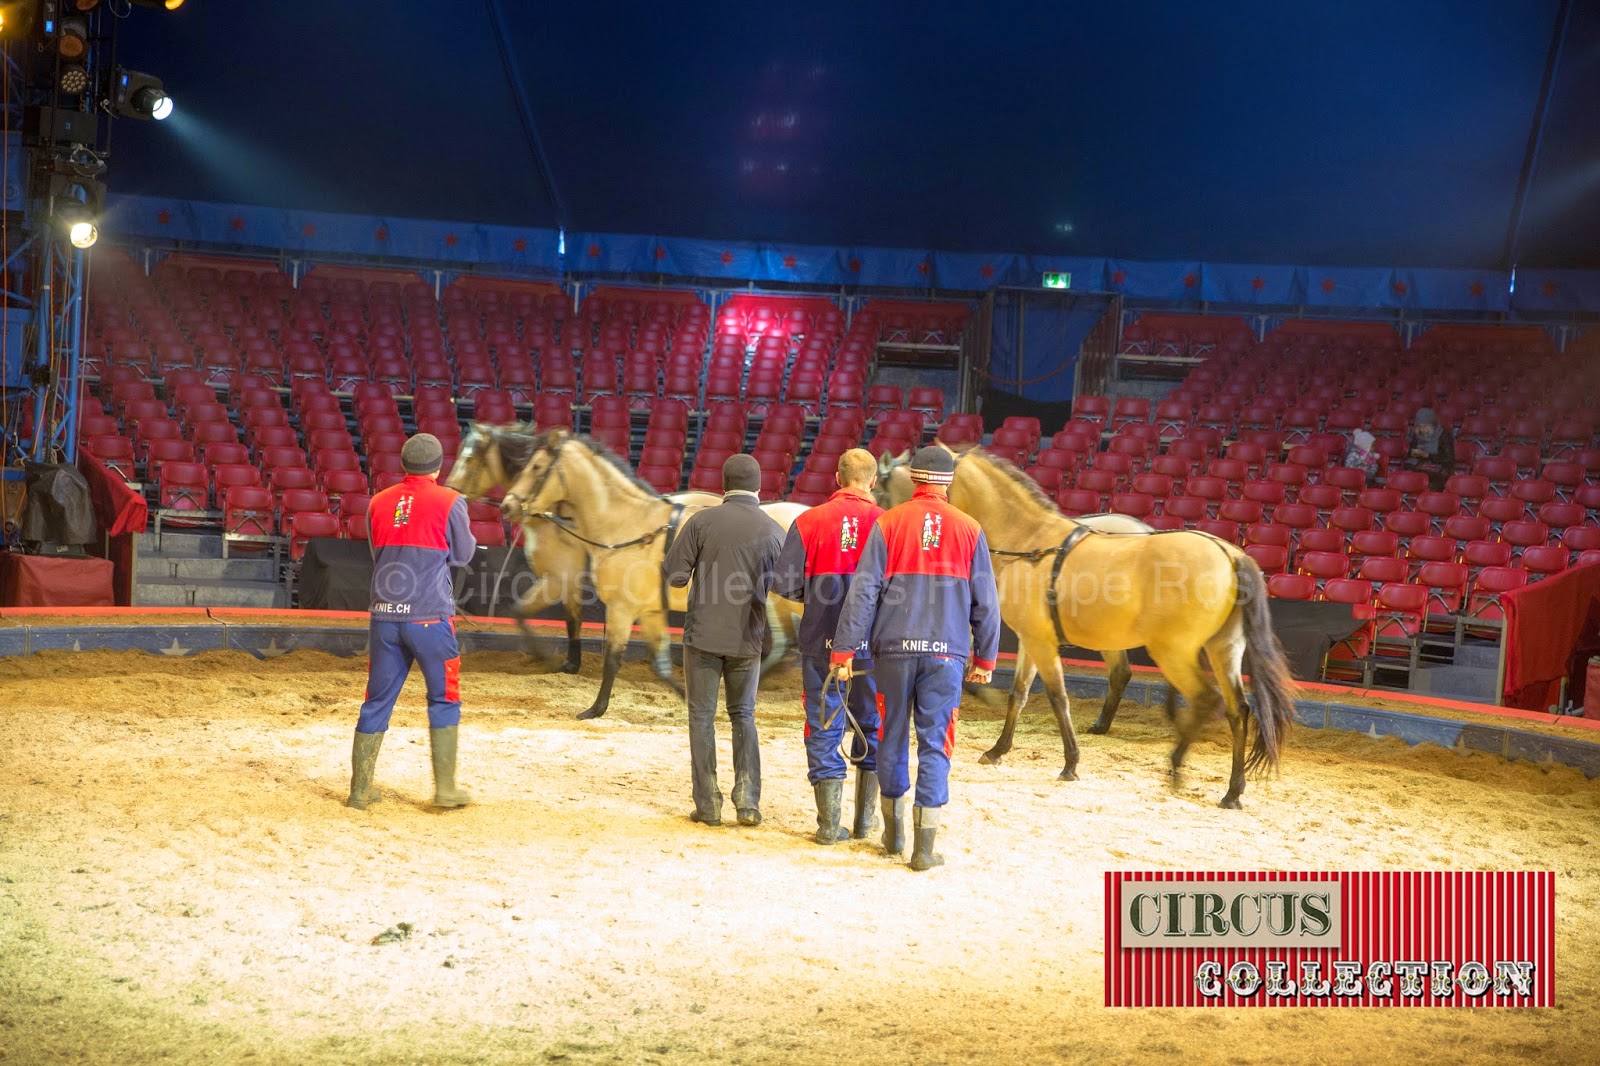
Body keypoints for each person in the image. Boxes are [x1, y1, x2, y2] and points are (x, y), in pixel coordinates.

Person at [829, 446, 1000, 871]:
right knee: (936, 744)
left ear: (914, 479)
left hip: (894, 650)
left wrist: (845, 649)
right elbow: (987, 602)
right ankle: (924, 849)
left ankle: (892, 835)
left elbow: (863, 593)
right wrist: (987, 657)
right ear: (947, 482)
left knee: (891, 737)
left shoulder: (888, 523)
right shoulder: (971, 529)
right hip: (948, 653)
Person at [348, 433, 477, 811]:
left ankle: (360, 790)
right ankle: (445, 789)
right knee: (444, 697)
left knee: (376, 701)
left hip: (384, 616)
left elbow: (378, 553)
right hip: (431, 617)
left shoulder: (378, 502)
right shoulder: (451, 501)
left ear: (404, 465)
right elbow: (464, 554)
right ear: (439, 467)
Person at [662, 453, 786, 828]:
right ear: (760, 487)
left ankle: (709, 804)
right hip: (748, 637)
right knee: (743, 716)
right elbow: (788, 585)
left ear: (723, 484)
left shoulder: (701, 520)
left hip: (702, 635)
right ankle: (747, 801)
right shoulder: (773, 529)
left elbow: (675, 576)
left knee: (701, 717)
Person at [772, 448, 885, 845]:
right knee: (875, 725)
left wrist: (819, 600)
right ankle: (867, 823)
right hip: (876, 648)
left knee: (822, 723)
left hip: (820, 641)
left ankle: (827, 824)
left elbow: (785, 585)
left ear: (837, 479)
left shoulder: (808, 520)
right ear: (872, 481)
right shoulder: (888, 523)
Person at [1405, 408, 1455, 491]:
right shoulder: (1417, 435)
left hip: (1438, 467)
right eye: (1419, 426)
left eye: (1424, 426)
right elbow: (1411, 454)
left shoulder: (1444, 436)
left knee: (1432, 481)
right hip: (1419, 466)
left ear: (1432, 424)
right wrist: (1414, 453)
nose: (1421, 429)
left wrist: (1428, 455)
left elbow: (1448, 459)